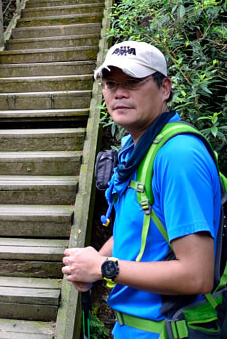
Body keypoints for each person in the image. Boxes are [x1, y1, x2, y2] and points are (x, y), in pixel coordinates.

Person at [61, 40, 222, 338]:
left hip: (171, 330)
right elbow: (132, 229)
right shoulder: (135, 149)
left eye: (133, 82)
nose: (119, 93)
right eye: (110, 84)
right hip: (133, 328)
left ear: (165, 88)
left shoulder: (178, 156)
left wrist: (103, 268)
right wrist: (93, 259)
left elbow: (197, 275)